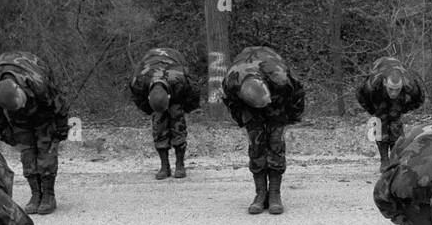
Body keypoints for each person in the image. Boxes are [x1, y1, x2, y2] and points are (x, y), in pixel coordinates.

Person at [0, 51, 71, 214]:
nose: (22, 107)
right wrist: (11, 138)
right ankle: (35, 194)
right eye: (16, 106)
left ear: (18, 88)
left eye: (20, 103)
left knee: (46, 147)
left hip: (42, 109)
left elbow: (60, 105)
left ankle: (49, 195)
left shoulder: (38, 83)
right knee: (27, 151)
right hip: (18, 118)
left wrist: (61, 129)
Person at [221, 46, 306, 214]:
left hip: (277, 101)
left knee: (275, 143)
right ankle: (260, 194)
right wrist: (243, 122)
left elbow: (298, 95)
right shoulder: (232, 81)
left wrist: (291, 118)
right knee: (256, 144)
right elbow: (231, 104)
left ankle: (275, 194)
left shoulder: (281, 78)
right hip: (248, 105)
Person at [128, 47, 203, 181]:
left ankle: (180, 165)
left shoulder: (179, 79)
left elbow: (194, 92)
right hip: (153, 75)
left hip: (175, 82)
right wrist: (150, 109)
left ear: (169, 96)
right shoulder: (140, 81)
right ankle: (165, 166)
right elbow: (138, 99)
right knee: (158, 125)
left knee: (177, 122)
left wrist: (186, 109)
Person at [356, 56, 425, 165]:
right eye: (391, 89)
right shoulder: (373, 84)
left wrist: (404, 109)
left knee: (395, 124)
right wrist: (372, 111)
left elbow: (420, 99)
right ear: (385, 83)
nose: (393, 93)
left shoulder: (410, 85)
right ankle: (384, 160)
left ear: (402, 83)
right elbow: (360, 96)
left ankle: (394, 159)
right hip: (379, 94)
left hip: (398, 96)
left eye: (396, 89)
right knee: (380, 123)